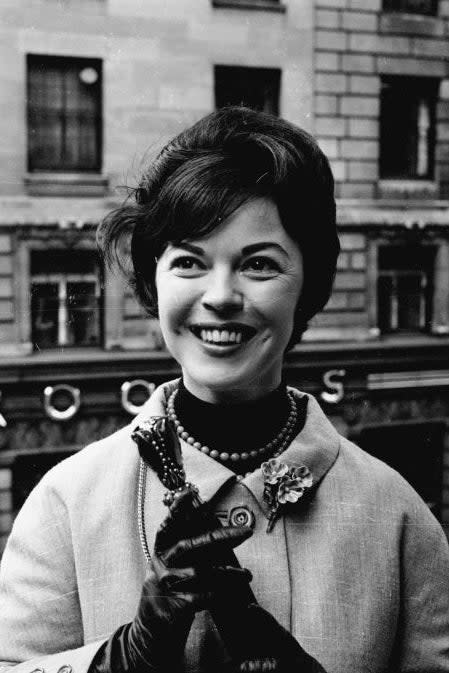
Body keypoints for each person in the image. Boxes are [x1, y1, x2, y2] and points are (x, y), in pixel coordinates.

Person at [0, 106, 448, 673]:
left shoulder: (398, 516)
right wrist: (125, 658)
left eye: (259, 265)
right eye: (189, 261)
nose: (221, 296)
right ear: (152, 279)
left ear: (308, 286)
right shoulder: (66, 502)